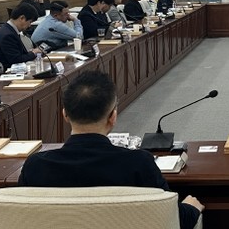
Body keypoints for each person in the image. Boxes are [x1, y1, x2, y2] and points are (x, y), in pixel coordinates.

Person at [18, 71, 204, 229]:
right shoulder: (138, 163)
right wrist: (191, 208)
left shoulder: (35, 166)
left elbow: (21, 217)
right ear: (113, 116)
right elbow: (171, 218)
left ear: (65, 115)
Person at [0, 3, 41, 68]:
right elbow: (16, 60)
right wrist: (33, 53)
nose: (29, 25)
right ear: (22, 18)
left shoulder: (7, 29)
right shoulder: (8, 35)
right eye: (30, 22)